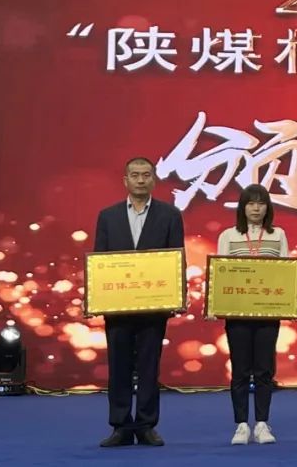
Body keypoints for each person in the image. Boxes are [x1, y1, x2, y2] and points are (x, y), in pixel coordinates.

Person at [93, 157, 185, 448]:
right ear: (126, 180)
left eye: (146, 175)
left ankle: (146, 425)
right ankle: (120, 426)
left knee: (148, 367)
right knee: (118, 366)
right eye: (135, 175)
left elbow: (177, 258)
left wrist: (178, 296)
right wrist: (97, 298)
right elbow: (99, 261)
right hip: (117, 306)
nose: (141, 180)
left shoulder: (170, 215)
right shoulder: (107, 217)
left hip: (153, 306)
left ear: (154, 180)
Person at [216, 184, 289, 445]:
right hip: (237, 315)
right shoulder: (229, 235)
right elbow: (221, 273)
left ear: (268, 207)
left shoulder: (278, 234)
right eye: (250, 203)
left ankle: (261, 424)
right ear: (242, 207)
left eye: (261, 203)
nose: (256, 208)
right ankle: (241, 425)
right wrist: (216, 305)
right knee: (240, 370)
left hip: (267, 314)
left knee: (264, 370)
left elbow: (286, 272)